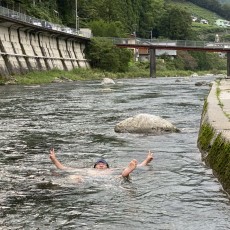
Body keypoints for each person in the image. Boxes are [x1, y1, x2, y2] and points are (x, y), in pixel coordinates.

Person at [49, 148, 153, 179]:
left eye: (103, 163)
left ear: (107, 166)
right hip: (89, 179)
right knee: (76, 176)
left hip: (110, 178)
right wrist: (54, 159)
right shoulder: (88, 170)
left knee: (121, 176)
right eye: (98, 163)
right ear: (94, 166)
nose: (101, 164)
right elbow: (64, 168)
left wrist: (146, 161)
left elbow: (138, 166)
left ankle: (127, 173)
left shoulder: (111, 170)